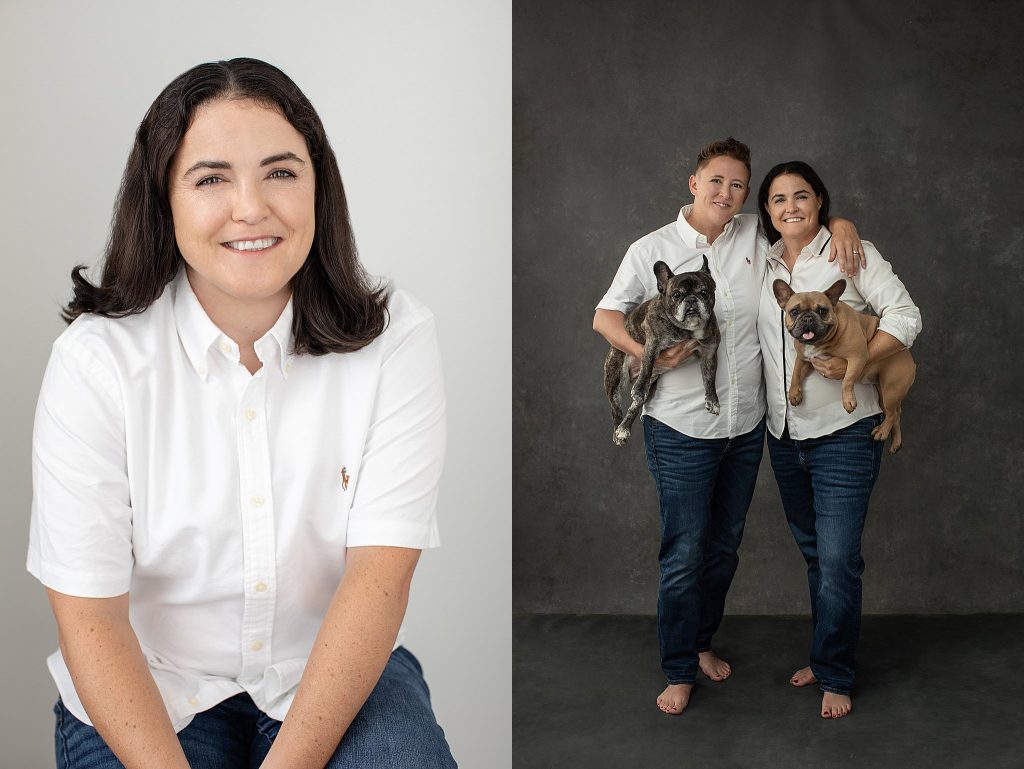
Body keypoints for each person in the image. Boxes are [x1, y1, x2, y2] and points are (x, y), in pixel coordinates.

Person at [27, 58, 456, 769]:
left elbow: (378, 580)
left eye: (281, 172)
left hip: (326, 674)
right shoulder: (95, 362)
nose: (251, 207)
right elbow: (90, 618)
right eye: (210, 178)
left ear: (319, 184)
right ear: (162, 196)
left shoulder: (397, 341)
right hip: (148, 682)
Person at [592, 139, 862, 716]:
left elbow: (800, 224)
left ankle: (701, 643)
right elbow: (604, 315)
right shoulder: (652, 248)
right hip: (680, 427)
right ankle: (678, 667)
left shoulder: (753, 237)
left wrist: (841, 220)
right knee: (684, 553)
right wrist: (644, 351)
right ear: (694, 183)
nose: (727, 193)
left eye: (738, 185)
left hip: (746, 429)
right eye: (717, 181)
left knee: (721, 550)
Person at [755, 160, 921, 719]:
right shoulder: (760, 259)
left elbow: (906, 314)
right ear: (768, 211)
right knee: (815, 556)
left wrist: (855, 363)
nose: (790, 208)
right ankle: (827, 658)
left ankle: (835, 674)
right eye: (778, 200)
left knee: (838, 558)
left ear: (820, 202)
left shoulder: (853, 251)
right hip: (783, 433)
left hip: (845, 434)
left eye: (801, 196)